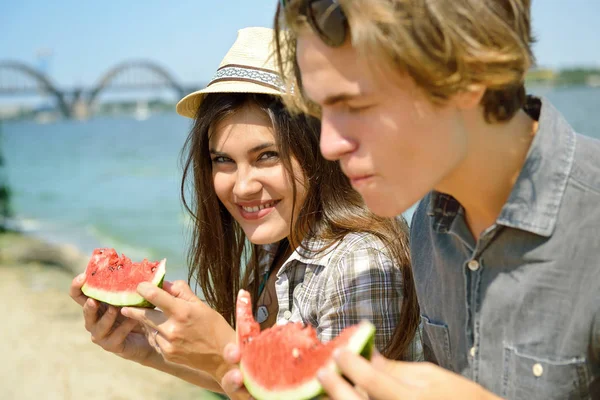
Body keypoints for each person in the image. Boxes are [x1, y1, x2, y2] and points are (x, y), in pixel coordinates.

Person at [219, 2, 600, 399]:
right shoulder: (430, 226)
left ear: (465, 73)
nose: (328, 145)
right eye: (320, 110)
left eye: (356, 105)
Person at [69, 26, 422, 398]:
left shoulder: (359, 263)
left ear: (318, 149)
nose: (241, 187)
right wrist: (147, 351)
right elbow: (271, 387)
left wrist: (222, 355)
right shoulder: (278, 248)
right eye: (223, 160)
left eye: (266, 156)